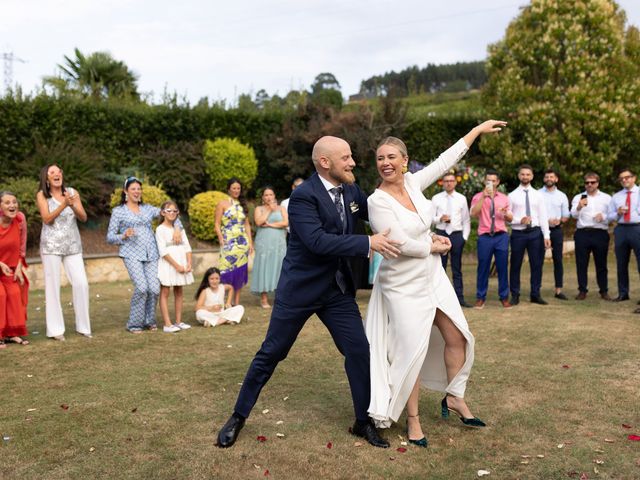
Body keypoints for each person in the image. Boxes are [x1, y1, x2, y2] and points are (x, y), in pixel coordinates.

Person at [215, 135, 401, 449]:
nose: (353, 162)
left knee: (358, 351)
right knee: (272, 353)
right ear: (325, 162)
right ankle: (237, 416)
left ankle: (362, 422)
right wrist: (367, 242)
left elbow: (382, 212)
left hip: (337, 291)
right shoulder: (303, 197)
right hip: (299, 291)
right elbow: (318, 242)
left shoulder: (352, 190)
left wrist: (420, 229)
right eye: (346, 157)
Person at [366, 120, 505, 447]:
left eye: (391, 157)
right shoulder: (377, 201)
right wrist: (432, 245)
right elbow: (395, 243)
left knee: (458, 335)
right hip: (401, 285)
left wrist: (476, 131)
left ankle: (454, 396)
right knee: (412, 351)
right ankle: (413, 421)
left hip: (432, 275)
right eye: (379, 158)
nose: (385, 163)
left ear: (404, 160)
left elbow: (445, 161)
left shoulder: (413, 183)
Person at [106, 177, 183, 333]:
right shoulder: (118, 212)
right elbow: (109, 237)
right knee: (142, 288)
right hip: (131, 253)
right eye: (133, 189)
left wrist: (176, 227)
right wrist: (123, 235)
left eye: (139, 189)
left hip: (152, 253)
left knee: (154, 289)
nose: (137, 192)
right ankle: (134, 324)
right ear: (126, 192)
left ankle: (149, 321)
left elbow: (171, 213)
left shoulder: (148, 209)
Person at [36, 164, 91, 341]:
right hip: (51, 246)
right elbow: (47, 219)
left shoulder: (72, 192)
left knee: (81, 283)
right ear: (46, 178)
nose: (56, 174)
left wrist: (72, 204)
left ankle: (83, 327)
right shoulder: (42, 195)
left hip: (73, 245)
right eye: (52, 172)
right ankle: (55, 330)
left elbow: (83, 217)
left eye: (59, 171)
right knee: (53, 288)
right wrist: (63, 205)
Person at [508, 165, 551, 305]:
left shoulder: (538, 195)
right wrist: (518, 220)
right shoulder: (512, 195)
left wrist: (546, 236)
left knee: (537, 265)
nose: (525, 176)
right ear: (519, 176)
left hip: (535, 233)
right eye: (522, 174)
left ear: (532, 176)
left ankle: (535, 294)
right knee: (515, 265)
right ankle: (515, 294)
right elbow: (507, 217)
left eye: (528, 174)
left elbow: (543, 216)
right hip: (518, 234)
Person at [470, 169, 513, 309]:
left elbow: (511, 218)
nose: (491, 183)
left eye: (494, 180)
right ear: (485, 181)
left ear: (498, 182)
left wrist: (506, 214)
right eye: (488, 180)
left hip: (501, 236)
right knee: (483, 268)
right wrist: (483, 196)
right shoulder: (477, 197)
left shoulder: (504, 198)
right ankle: (480, 297)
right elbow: (474, 213)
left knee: (502, 268)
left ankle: (504, 297)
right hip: (485, 237)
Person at [571, 173, 612, 301]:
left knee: (601, 264)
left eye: (592, 182)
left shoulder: (606, 198)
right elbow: (573, 214)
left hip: (600, 233)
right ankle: (582, 290)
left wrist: (604, 216)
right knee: (581, 263)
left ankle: (604, 291)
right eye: (587, 182)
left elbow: (613, 214)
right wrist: (579, 206)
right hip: (583, 233)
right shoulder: (579, 197)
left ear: (597, 183)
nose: (589, 185)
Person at [432, 172, 471, 307]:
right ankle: (439, 300)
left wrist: (464, 238)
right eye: (446, 181)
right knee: (439, 268)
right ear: (442, 183)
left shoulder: (461, 198)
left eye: (451, 181)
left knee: (457, 268)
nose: (449, 183)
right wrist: (439, 219)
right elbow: (430, 219)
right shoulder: (436, 198)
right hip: (441, 234)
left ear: (455, 182)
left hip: (456, 235)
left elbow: (466, 220)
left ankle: (459, 298)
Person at [156, 200, 194, 333]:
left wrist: (188, 263)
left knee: (179, 291)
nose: (172, 213)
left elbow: (187, 247)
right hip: (169, 264)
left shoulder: (179, 229)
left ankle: (178, 321)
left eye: (175, 211)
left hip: (181, 262)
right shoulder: (160, 229)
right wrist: (176, 266)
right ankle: (167, 323)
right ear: (163, 213)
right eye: (169, 211)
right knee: (165, 291)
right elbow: (163, 251)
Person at [214, 178, 253, 307]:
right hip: (228, 243)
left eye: (238, 188)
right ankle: (224, 303)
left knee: (240, 274)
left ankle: (236, 304)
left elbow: (247, 225)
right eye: (234, 188)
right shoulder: (222, 204)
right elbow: (217, 224)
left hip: (242, 244)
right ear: (229, 189)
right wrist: (220, 238)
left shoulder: (243, 205)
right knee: (226, 272)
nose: (236, 190)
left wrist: (250, 243)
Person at [607, 168, 640, 311]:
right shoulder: (616, 197)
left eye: (627, 177)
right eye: (622, 178)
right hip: (621, 229)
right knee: (621, 263)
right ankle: (623, 293)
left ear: (634, 178)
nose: (624, 180)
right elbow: (609, 217)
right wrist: (617, 213)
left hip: (638, 228)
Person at [250, 186, 288, 308]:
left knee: (279, 267)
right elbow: (259, 222)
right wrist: (269, 210)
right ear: (262, 197)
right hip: (264, 243)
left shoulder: (282, 208)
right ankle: (264, 299)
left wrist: (271, 224)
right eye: (266, 195)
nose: (268, 197)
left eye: (270, 194)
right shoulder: (259, 209)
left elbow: (286, 223)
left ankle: (279, 298)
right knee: (264, 267)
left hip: (279, 243)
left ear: (274, 196)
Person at [0, 191, 29, 347]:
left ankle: (12, 334)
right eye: (7, 202)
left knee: (15, 293)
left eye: (14, 201)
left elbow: (22, 246)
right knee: (1, 295)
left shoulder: (20, 219)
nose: (12, 205)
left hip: (11, 268)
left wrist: (19, 265)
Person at [539, 169, 570, 300]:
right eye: (546, 177)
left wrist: (560, 220)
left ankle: (558, 290)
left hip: (556, 230)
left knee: (558, 260)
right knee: (537, 261)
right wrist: (546, 220)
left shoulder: (562, 196)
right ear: (544, 179)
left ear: (556, 179)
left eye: (551, 176)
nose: (549, 179)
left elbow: (566, 216)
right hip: (539, 230)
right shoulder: (537, 194)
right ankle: (536, 290)